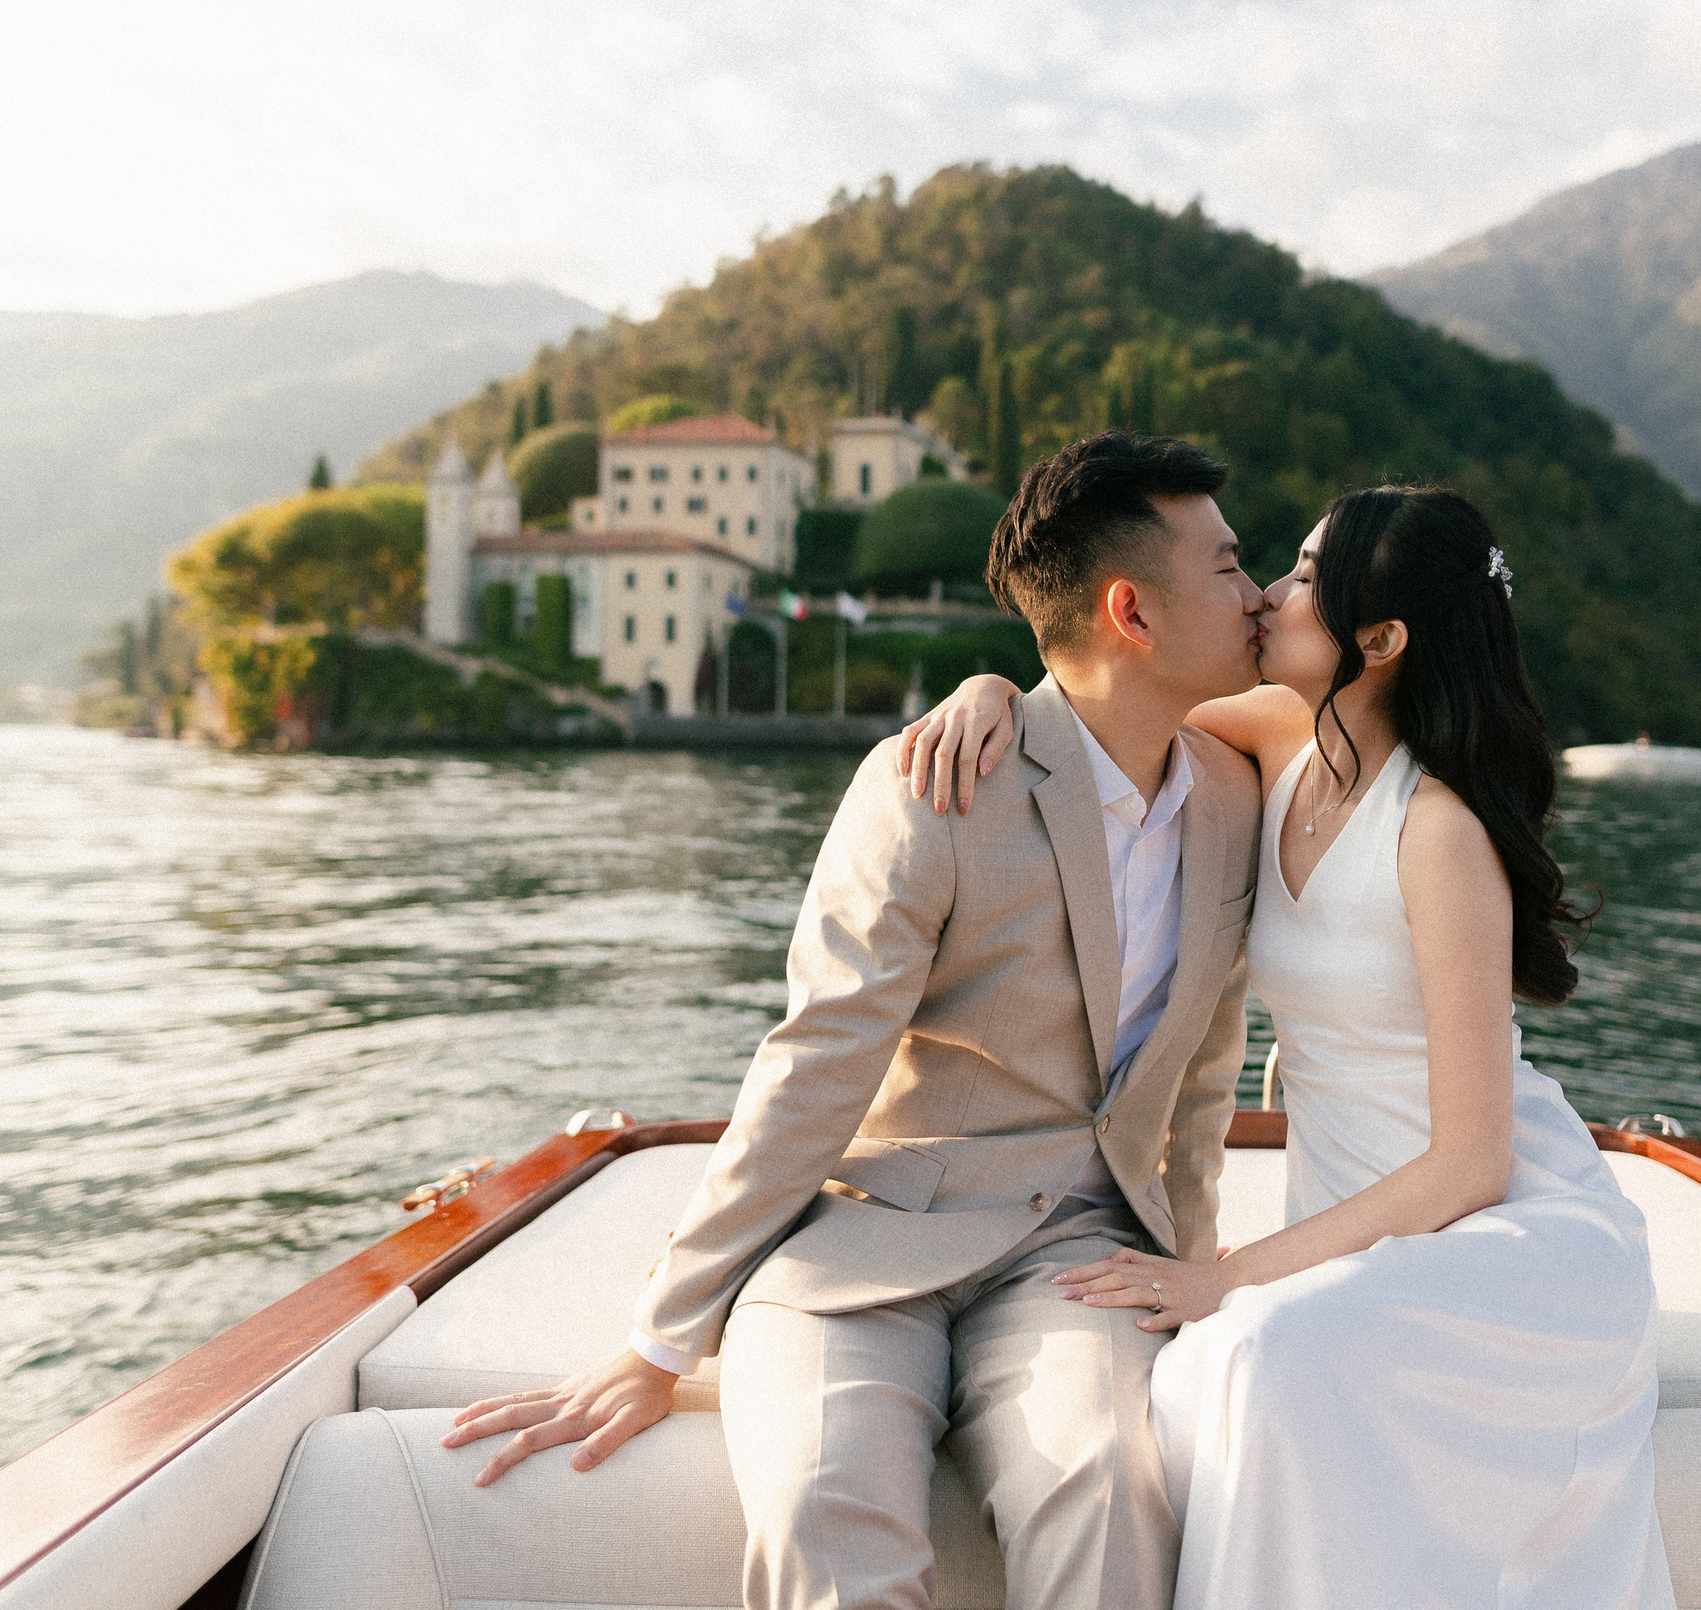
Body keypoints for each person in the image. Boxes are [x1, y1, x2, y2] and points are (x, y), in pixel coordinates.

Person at [440, 430, 1269, 1610]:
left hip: (1078, 1256)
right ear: (1130, 611)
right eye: (1231, 569)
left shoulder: (1239, 794)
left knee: (1109, 1483)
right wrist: (662, 1338)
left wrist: (1184, 1278)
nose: (1260, 595)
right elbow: (818, 1060)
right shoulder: (932, 784)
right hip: (867, 1238)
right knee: (823, 1504)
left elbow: (1198, 1078)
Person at [901, 485, 1674, 1609]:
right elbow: (1101, 711)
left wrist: (1221, 1276)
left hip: (1493, 1229)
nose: (1267, 591)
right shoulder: (1276, 740)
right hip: (1349, 1216)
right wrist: (987, 691)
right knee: (1220, 1373)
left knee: (1257, 1354)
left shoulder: (1438, 832)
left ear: (1381, 638)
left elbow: (1471, 1165)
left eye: (1306, 576)